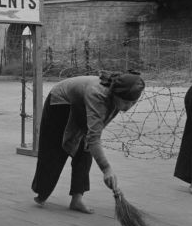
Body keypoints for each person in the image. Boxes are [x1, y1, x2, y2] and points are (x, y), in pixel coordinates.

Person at [31, 71, 145, 213]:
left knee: (85, 149)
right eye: (126, 102)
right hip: (61, 102)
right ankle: (42, 192)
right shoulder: (98, 94)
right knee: (55, 148)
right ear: (115, 94)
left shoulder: (115, 98)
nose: (129, 106)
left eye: (133, 102)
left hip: (82, 103)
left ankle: (77, 199)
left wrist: (90, 141)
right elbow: (94, 137)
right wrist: (106, 168)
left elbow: (93, 134)